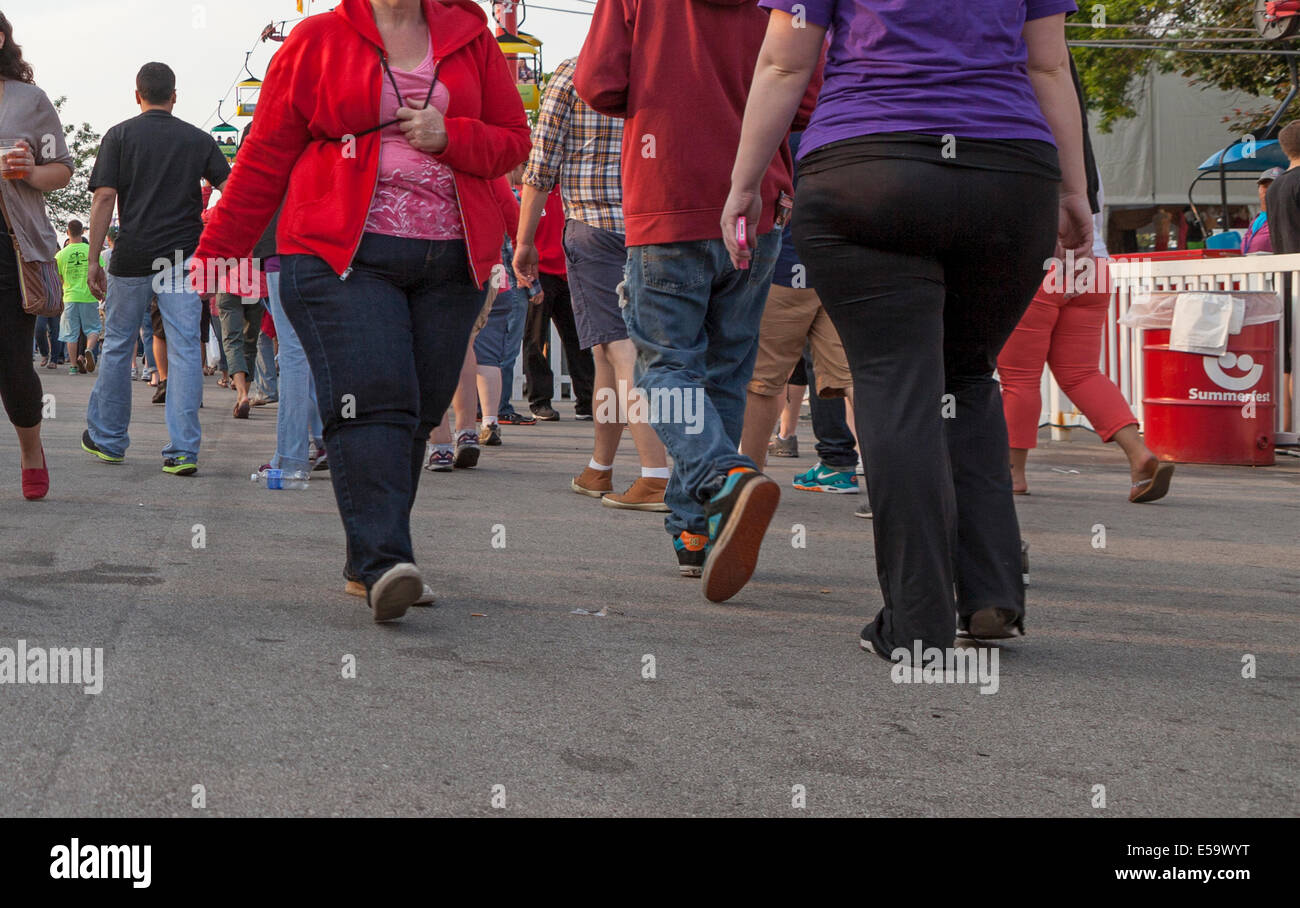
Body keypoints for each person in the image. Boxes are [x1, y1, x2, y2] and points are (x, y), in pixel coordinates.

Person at [725, 1, 1092, 657]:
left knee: (895, 381)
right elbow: (1047, 62)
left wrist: (744, 182)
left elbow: (785, 60)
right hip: (1009, 177)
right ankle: (990, 594)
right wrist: (1073, 189)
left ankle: (917, 622)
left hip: (868, 169)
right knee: (968, 375)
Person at [194, 0, 530, 622]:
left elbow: (513, 143)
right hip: (337, 255)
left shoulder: (471, 37)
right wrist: (217, 253)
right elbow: (265, 154)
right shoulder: (316, 40)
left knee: (420, 408)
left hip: (451, 260)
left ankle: (369, 559)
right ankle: (386, 561)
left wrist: (451, 134)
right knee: (373, 397)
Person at [576, 1, 817, 596]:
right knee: (726, 374)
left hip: (669, 191)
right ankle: (696, 528)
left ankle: (720, 475)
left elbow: (598, 82)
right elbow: (805, 98)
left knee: (665, 366)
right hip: (758, 203)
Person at [515, 55, 671, 511]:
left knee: (622, 348)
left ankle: (655, 476)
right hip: (655, 224)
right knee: (605, 349)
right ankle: (600, 468)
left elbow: (541, 165)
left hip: (595, 226)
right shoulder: (660, 67)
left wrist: (525, 241)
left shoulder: (573, 71)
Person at [81, 61, 231, 475]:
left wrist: (94, 259)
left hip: (129, 257)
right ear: (175, 96)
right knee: (185, 350)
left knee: (116, 346)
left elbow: (103, 198)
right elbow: (230, 189)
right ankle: (183, 451)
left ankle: (109, 441)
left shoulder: (119, 135)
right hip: (183, 258)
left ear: (137, 94)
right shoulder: (197, 139)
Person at [740, 130, 858, 493]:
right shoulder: (849, 119)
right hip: (843, 268)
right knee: (857, 381)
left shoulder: (779, 122)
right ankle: (891, 491)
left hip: (786, 266)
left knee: (762, 382)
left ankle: (749, 482)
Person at [0, 10, 74, 500]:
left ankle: (31, 448)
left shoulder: (29, 100)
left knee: (12, 364)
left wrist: (29, 171)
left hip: (11, 247)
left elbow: (63, 170)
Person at [55, 219, 101, 375]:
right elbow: (99, 273)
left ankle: (73, 366)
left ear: (68, 232)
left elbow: (58, 278)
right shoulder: (91, 251)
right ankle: (88, 349)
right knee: (93, 328)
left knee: (71, 333)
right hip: (89, 296)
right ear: (82, 232)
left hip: (69, 297)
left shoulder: (60, 254)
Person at [1243, 167, 1280, 254]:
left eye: (1273, 186)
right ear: (1258, 189)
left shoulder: (1285, 218)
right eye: (1264, 186)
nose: (1267, 190)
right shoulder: (1256, 219)